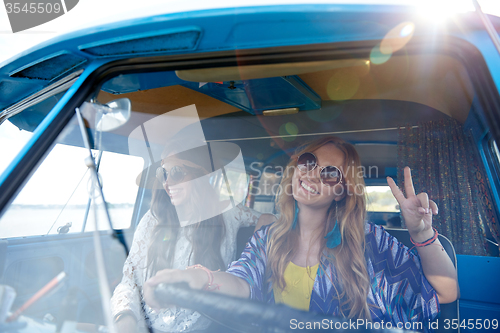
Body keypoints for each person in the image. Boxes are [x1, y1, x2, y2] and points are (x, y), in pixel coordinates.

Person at [143, 136, 458, 330]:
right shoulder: (269, 238)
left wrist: (422, 232)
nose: (312, 174)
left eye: (330, 172)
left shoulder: (367, 240)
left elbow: (446, 293)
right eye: (308, 161)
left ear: (340, 191)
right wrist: (200, 278)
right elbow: (241, 283)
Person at [110, 144, 274, 332]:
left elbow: (273, 219)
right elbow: (129, 282)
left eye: (177, 172)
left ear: (199, 176)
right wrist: (125, 320)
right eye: (163, 173)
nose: (168, 182)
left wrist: (263, 228)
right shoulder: (152, 220)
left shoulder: (227, 214)